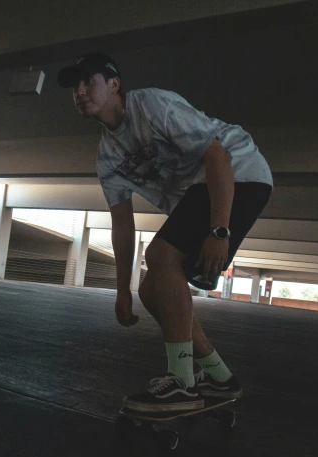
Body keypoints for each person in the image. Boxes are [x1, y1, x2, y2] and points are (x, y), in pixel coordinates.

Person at [58, 53, 273, 413]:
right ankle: (219, 378)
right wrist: (121, 290)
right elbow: (122, 225)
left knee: (159, 257)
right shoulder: (107, 157)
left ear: (114, 84)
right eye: (73, 86)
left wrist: (219, 230)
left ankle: (182, 384)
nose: (79, 91)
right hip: (199, 192)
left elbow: (216, 154)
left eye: (88, 81)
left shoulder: (153, 105)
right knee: (150, 289)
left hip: (239, 172)